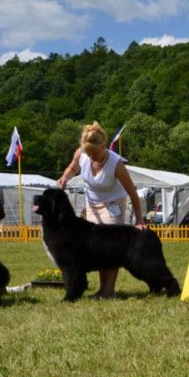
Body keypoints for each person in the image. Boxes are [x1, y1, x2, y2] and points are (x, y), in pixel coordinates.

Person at [56, 122, 145, 299]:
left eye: (94, 153)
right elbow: (73, 168)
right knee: (97, 249)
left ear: (103, 146)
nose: (91, 157)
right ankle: (101, 290)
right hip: (92, 205)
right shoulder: (82, 154)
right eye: (88, 153)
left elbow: (132, 193)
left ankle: (109, 291)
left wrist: (139, 220)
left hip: (114, 205)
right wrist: (64, 179)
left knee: (111, 248)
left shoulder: (116, 164)